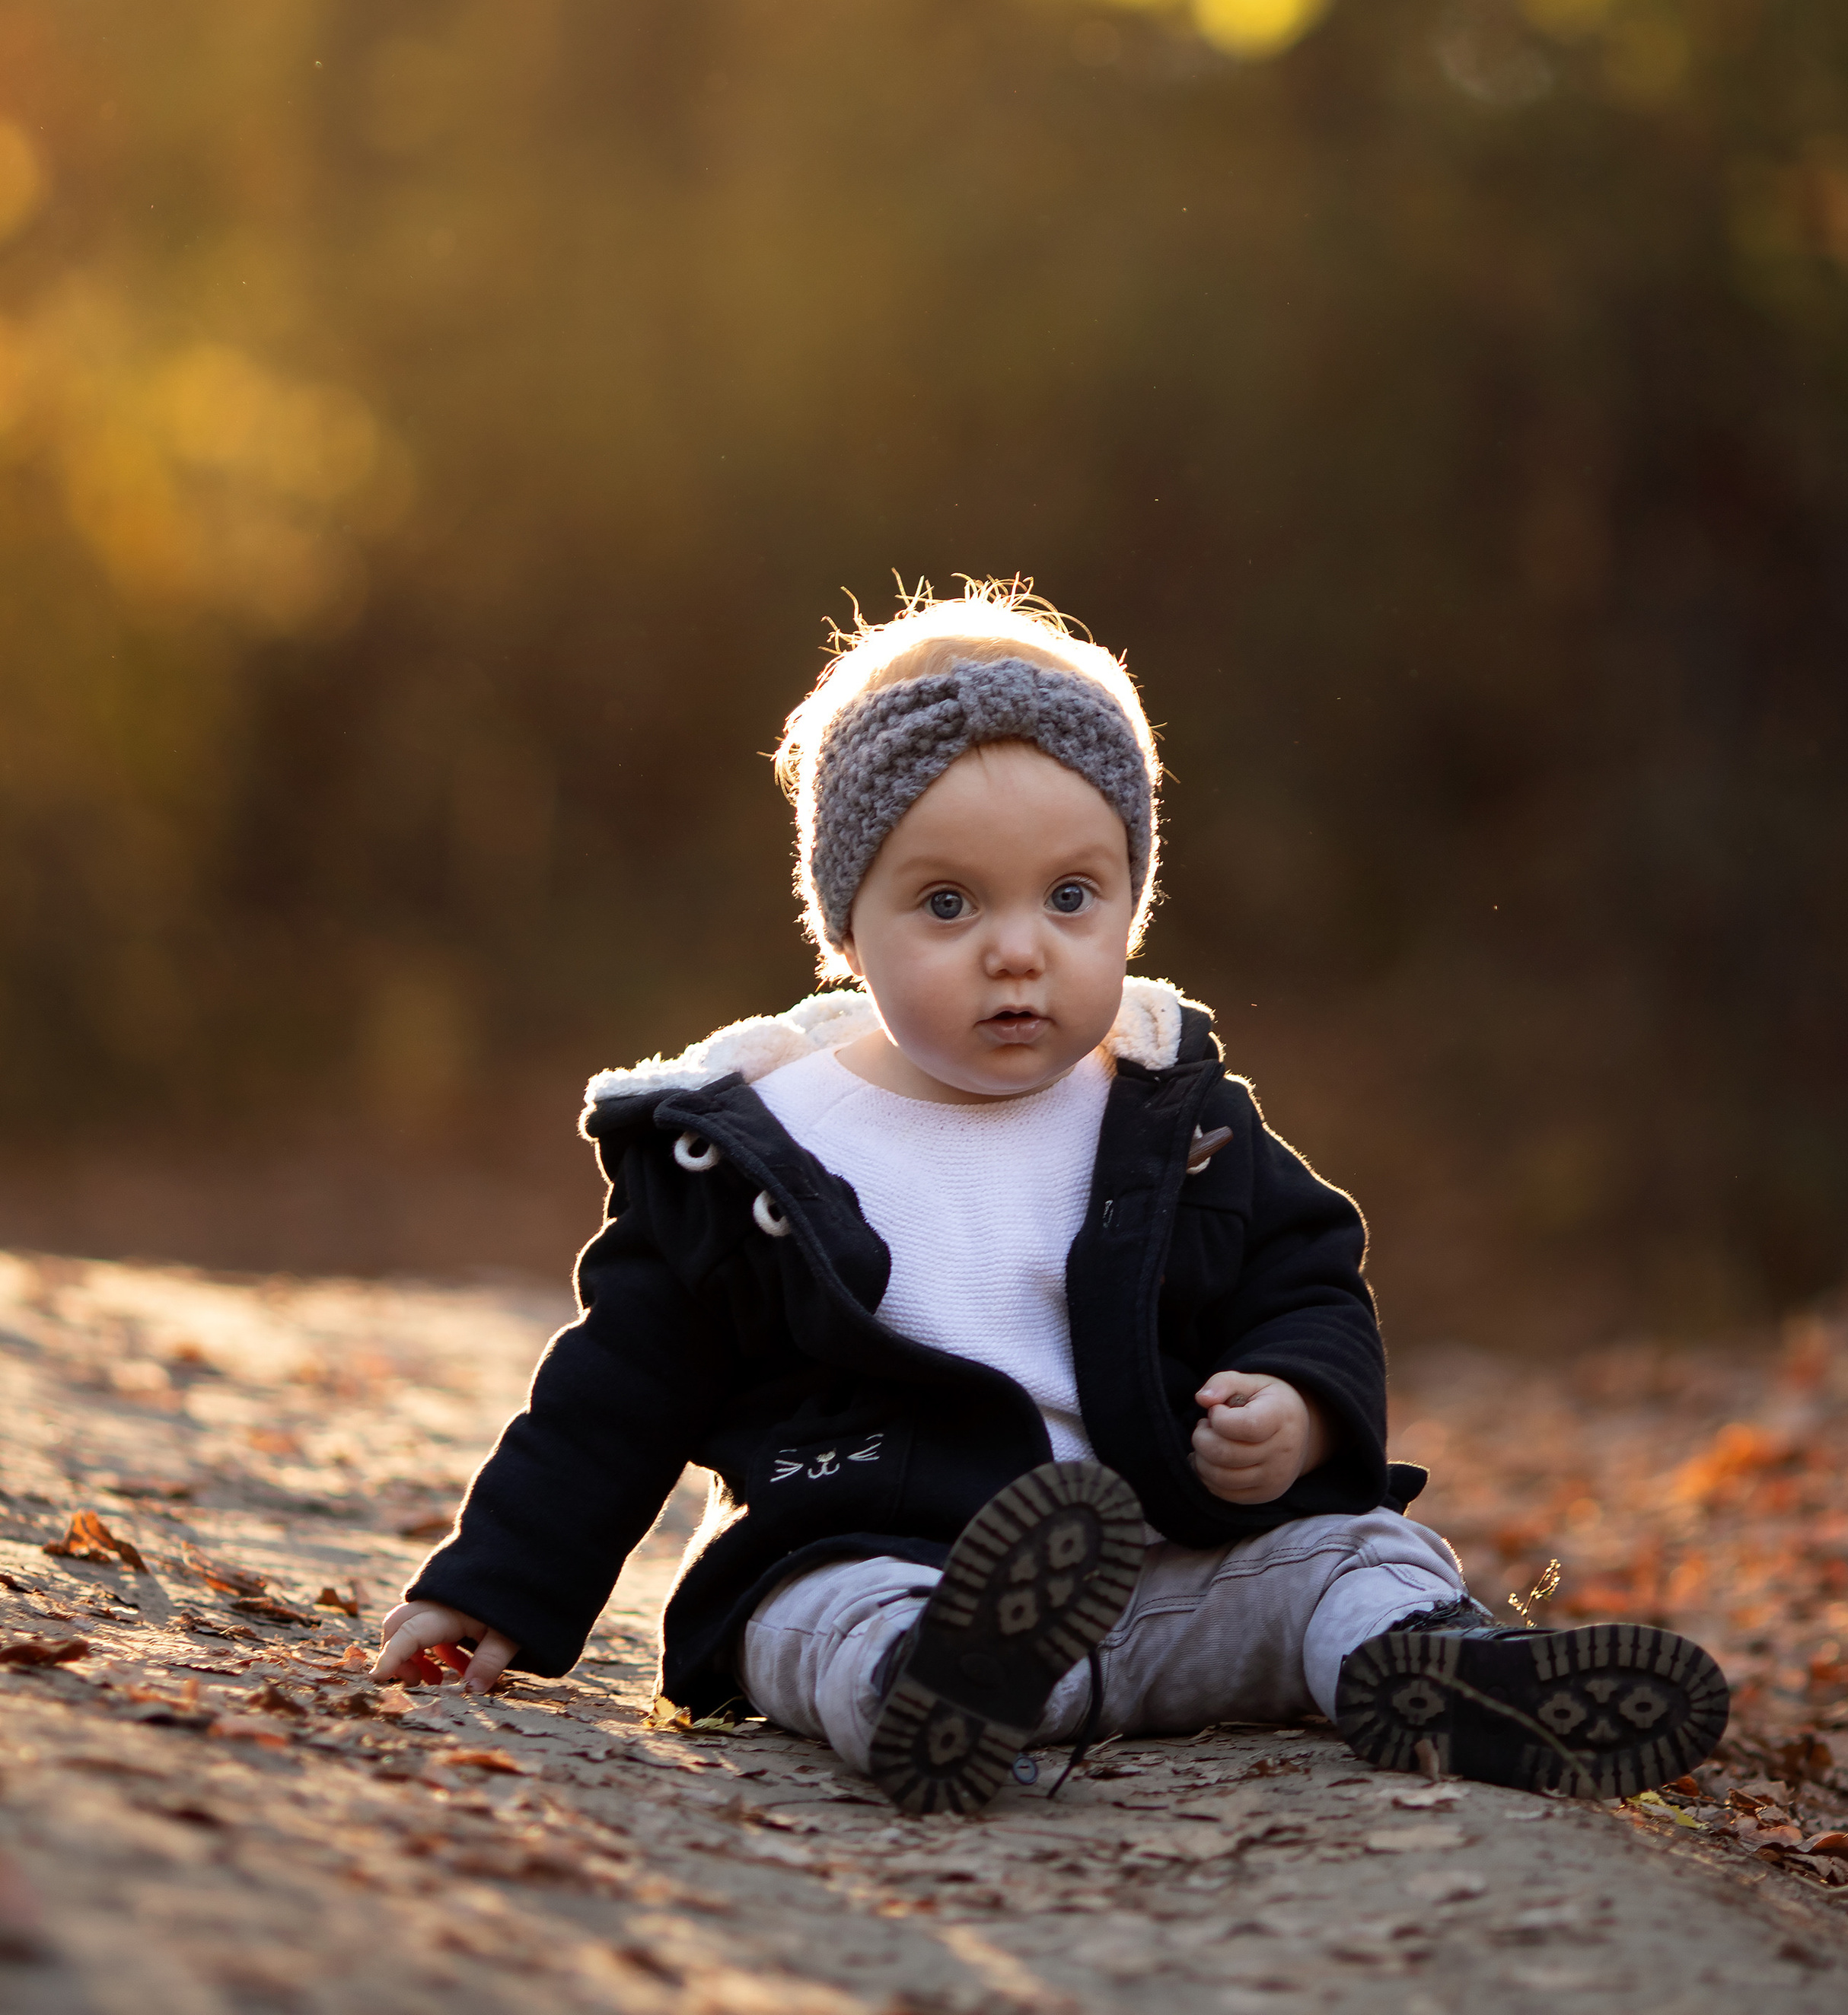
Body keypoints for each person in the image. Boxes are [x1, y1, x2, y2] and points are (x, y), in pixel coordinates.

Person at [374, 585, 1728, 1814]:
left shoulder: (1171, 1117)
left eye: (1071, 896)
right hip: (870, 1551)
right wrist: (495, 1586)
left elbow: (1306, 1278)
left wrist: (1301, 1409)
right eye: (950, 903)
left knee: (1358, 1551)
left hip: (1164, 1574)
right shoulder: (756, 1150)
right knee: (812, 1621)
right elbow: (617, 1384)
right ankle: (943, 1690)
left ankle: (1445, 1676)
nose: (1018, 949)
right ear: (846, 929)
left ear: (1134, 903)